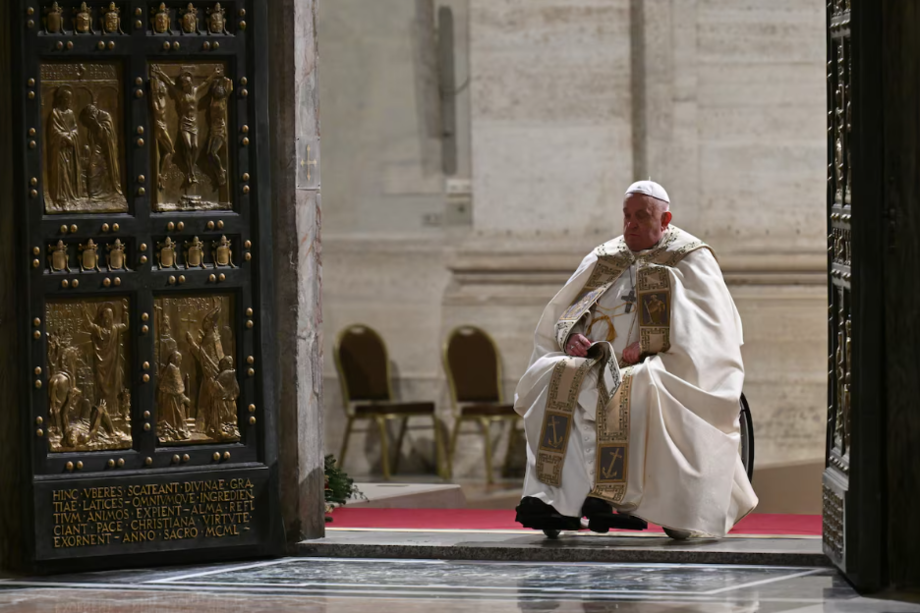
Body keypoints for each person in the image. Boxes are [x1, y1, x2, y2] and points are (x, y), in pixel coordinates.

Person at [514, 180, 757, 538]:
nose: (630, 225)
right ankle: (554, 501)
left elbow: (711, 330)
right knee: (552, 374)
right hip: (594, 361)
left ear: (665, 219)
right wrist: (573, 338)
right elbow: (566, 312)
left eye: (641, 217)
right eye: (626, 216)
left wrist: (650, 344)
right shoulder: (606, 256)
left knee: (635, 385)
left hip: (661, 364)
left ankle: (611, 497)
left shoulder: (690, 257)